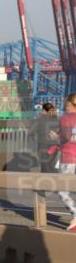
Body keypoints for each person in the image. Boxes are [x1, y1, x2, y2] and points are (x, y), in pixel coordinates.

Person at [55, 93, 76, 232]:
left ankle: (75, 212)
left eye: (67, 105)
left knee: (62, 189)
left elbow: (67, 138)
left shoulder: (65, 118)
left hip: (69, 156)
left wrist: (56, 136)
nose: (65, 107)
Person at [30, 102, 61, 173]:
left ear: (44, 110)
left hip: (43, 145)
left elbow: (31, 132)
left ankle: (45, 182)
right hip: (55, 146)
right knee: (52, 166)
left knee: (44, 166)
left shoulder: (40, 119)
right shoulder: (58, 119)